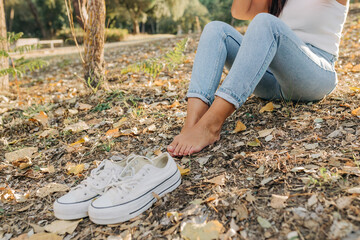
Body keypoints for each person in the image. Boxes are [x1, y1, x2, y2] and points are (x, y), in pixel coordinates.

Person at [167, 0, 349, 157]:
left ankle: (211, 125)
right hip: (271, 75)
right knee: (216, 29)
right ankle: (192, 124)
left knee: (266, 22)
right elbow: (240, 11)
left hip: (314, 73)